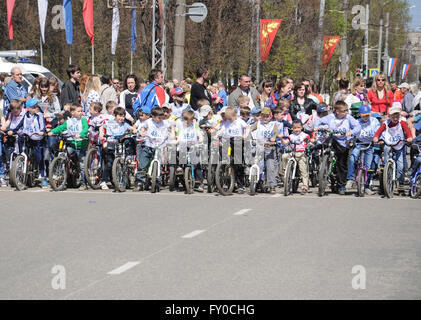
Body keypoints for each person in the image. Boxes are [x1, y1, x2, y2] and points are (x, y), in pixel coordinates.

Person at [314, 100, 361, 195]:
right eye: (344, 110)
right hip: (333, 139)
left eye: (347, 110)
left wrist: (351, 132)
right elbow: (318, 121)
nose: (347, 112)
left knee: (341, 165)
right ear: (337, 111)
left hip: (343, 143)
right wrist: (316, 127)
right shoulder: (330, 117)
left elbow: (358, 127)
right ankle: (325, 162)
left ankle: (341, 185)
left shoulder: (348, 118)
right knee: (323, 144)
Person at [49, 104, 89, 190]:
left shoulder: (83, 120)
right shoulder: (69, 121)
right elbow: (61, 128)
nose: (81, 113)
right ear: (72, 112)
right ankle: (64, 178)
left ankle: (84, 184)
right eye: (79, 111)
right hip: (71, 143)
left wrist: (81, 134)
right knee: (64, 156)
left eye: (81, 111)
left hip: (81, 144)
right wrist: (52, 131)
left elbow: (86, 128)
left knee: (82, 165)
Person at [373, 105, 413, 191]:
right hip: (389, 143)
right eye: (393, 116)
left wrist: (409, 137)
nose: (395, 118)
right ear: (390, 116)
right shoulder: (386, 123)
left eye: (397, 116)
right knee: (386, 149)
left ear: (399, 116)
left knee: (400, 165)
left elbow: (407, 130)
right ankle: (387, 169)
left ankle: (400, 181)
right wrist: (376, 137)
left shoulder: (402, 123)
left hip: (399, 144)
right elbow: (379, 130)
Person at [10, 99, 48, 188]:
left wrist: (42, 131)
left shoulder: (39, 115)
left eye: (36, 106)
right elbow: (20, 125)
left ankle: (43, 177)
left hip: (37, 137)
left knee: (39, 158)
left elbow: (42, 126)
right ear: (28, 108)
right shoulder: (25, 115)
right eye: (34, 107)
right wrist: (12, 130)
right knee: (20, 138)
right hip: (28, 136)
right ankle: (22, 161)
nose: (36, 108)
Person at [99, 107, 137, 190]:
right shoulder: (110, 123)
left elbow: (131, 128)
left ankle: (124, 179)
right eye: (119, 116)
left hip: (121, 144)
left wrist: (134, 130)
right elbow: (102, 127)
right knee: (109, 163)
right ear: (115, 116)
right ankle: (103, 181)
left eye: (123, 116)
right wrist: (101, 134)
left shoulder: (124, 124)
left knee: (124, 161)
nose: (121, 118)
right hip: (111, 144)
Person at [345, 105, 380, 195]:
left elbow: (378, 131)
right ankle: (350, 179)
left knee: (368, 166)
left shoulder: (374, 121)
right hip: (359, 144)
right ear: (360, 115)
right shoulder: (357, 122)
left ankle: (367, 185)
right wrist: (349, 140)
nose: (366, 117)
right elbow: (352, 132)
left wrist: (377, 138)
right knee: (352, 158)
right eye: (364, 115)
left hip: (370, 145)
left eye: (367, 115)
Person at [214, 106, 250, 194]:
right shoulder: (227, 122)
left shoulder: (239, 121)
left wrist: (245, 135)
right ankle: (228, 180)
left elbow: (247, 127)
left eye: (230, 118)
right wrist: (216, 135)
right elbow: (222, 129)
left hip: (238, 141)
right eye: (227, 119)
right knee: (225, 158)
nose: (229, 120)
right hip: (228, 141)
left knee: (238, 164)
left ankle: (241, 185)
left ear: (235, 116)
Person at [136, 107, 173, 191]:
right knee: (143, 164)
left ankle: (157, 182)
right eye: (158, 117)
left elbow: (172, 127)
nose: (160, 119)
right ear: (153, 116)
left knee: (158, 165)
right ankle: (140, 182)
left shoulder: (165, 123)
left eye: (162, 117)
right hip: (148, 146)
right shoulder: (148, 122)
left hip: (159, 147)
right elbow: (143, 128)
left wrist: (172, 134)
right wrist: (142, 132)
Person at [250, 107, 282, 194]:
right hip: (259, 147)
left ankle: (272, 185)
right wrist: (247, 135)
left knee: (270, 166)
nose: (265, 118)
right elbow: (250, 129)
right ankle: (255, 182)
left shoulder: (272, 124)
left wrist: (274, 138)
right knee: (257, 164)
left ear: (270, 117)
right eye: (263, 116)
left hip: (269, 147)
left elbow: (277, 133)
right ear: (260, 116)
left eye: (267, 116)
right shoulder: (258, 123)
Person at [174, 109, 205, 192]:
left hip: (193, 145)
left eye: (188, 121)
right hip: (184, 146)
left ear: (192, 120)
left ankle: (200, 182)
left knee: (197, 165)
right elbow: (178, 137)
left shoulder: (195, 126)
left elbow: (199, 133)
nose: (186, 123)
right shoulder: (181, 127)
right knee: (181, 159)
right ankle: (184, 178)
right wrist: (175, 142)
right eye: (185, 120)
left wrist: (201, 138)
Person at [281, 120, 311, 195]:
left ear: (301, 127)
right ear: (292, 129)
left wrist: (309, 143)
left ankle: (304, 187)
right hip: (292, 153)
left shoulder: (304, 135)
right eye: (294, 128)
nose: (297, 129)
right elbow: (285, 142)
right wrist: (281, 139)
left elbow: (309, 141)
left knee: (303, 170)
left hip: (301, 154)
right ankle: (285, 169)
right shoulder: (291, 136)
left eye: (298, 127)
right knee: (284, 156)